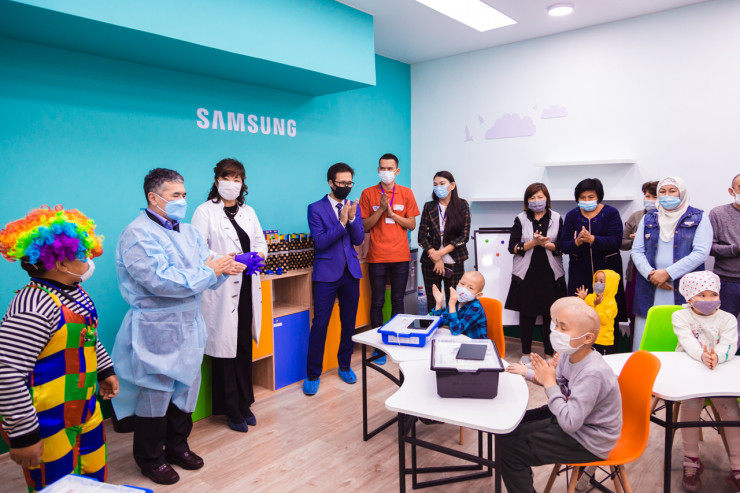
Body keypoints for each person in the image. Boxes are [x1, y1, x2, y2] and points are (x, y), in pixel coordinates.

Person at [111, 168, 241, 485]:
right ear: (153, 198)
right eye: (175, 195)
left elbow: (206, 266)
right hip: (157, 324)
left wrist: (223, 267)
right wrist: (210, 271)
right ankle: (150, 458)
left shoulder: (188, 232)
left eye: (184, 194)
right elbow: (161, 281)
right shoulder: (137, 234)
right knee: (156, 391)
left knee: (187, 388)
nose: (183, 200)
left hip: (190, 321)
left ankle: (177, 446)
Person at [0, 206, 118, 492]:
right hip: (48, 419)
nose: (89, 259)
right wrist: (24, 435)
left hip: (85, 408)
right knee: (55, 485)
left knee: (92, 476)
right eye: (82, 254)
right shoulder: (32, 307)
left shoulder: (75, 292)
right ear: (61, 264)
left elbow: (88, 336)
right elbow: (7, 372)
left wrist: (105, 370)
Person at [498, 301, 622, 493]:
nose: (556, 332)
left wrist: (549, 383)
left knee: (509, 449)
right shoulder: (568, 354)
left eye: (563, 328)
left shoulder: (593, 373)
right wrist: (539, 373)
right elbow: (560, 383)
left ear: (587, 338)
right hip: (572, 417)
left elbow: (570, 422)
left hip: (589, 440)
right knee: (508, 427)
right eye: (556, 325)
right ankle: (522, 472)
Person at [191, 158, 267, 432]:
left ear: (243, 183)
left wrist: (257, 257)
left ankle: (245, 403)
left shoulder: (248, 211)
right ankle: (231, 409)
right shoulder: (204, 212)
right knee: (225, 350)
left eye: (237, 179)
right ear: (217, 181)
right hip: (221, 289)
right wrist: (229, 259)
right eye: (227, 177)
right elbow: (198, 251)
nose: (232, 183)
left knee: (243, 345)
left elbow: (260, 242)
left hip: (246, 286)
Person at [672, 271, 740, 491]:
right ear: (689, 297)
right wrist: (703, 355)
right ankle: (691, 461)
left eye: (713, 294)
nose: (709, 300)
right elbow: (688, 342)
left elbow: (730, 344)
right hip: (691, 374)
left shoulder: (727, 319)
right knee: (690, 405)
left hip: (719, 374)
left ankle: (737, 467)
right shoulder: (680, 316)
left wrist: (717, 356)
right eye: (702, 295)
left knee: (730, 409)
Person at [302, 163, 364, 396]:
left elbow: (358, 239)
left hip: (351, 272)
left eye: (349, 183)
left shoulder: (353, 206)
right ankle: (312, 374)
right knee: (320, 323)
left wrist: (353, 219)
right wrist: (342, 222)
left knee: (349, 322)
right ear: (331, 183)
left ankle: (345, 365)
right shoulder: (315, 208)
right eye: (342, 183)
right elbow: (321, 242)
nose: (346, 186)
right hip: (326, 274)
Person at [630, 176, 712, 351]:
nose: (667, 195)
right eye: (662, 191)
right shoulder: (649, 218)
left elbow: (701, 252)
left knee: (682, 337)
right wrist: (652, 274)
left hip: (684, 287)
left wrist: (667, 273)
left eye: (672, 191)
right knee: (647, 336)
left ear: (681, 193)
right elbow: (637, 251)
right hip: (650, 285)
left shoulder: (699, 217)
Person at [359, 153, 420, 364]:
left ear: (397, 171)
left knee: (397, 300)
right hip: (377, 256)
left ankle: (396, 342)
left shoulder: (406, 193)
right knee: (377, 301)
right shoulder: (368, 193)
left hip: (400, 256)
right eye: (382, 168)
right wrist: (381, 211)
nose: (386, 172)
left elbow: (412, 224)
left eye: (389, 168)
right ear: (378, 170)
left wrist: (393, 215)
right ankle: (378, 349)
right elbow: (364, 226)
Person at [561, 178, 627, 348]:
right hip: (580, 272)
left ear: (599, 196)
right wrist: (577, 242)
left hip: (607, 273)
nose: (587, 200)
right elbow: (564, 245)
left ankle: (610, 350)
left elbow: (616, 241)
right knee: (579, 311)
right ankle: (579, 350)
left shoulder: (611, 213)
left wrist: (592, 239)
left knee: (608, 311)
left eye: (591, 197)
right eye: (582, 197)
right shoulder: (572, 215)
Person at [505, 182, 566, 362]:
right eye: (532, 197)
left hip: (551, 274)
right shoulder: (521, 218)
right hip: (526, 274)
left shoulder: (557, 217)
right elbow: (512, 247)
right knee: (527, 315)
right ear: (527, 200)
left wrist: (546, 244)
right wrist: (533, 243)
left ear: (547, 198)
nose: (536, 200)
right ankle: (525, 354)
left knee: (550, 316)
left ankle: (549, 354)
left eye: (540, 197)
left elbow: (563, 245)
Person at [417, 171, 471, 312]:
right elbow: (422, 236)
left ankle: (451, 325)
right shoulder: (429, 207)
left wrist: (440, 254)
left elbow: (464, 236)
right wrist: (435, 257)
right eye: (435, 185)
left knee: (454, 301)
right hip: (430, 262)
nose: (438, 187)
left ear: (452, 185)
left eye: (442, 184)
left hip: (454, 261)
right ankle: (433, 325)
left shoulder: (462, 205)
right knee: (433, 301)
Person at [620, 181, 659, 345]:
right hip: (636, 273)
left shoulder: (668, 218)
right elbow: (622, 243)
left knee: (657, 314)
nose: (649, 200)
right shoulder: (636, 217)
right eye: (647, 196)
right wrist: (634, 240)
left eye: (654, 197)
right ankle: (634, 349)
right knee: (635, 314)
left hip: (659, 274)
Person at [709, 173, 740, 320]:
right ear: (731, 191)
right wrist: (736, 249)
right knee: (723, 326)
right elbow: (709, 248)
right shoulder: (718, 214)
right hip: (727, 282)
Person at [429, 271, 487, 339]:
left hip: (476, 343)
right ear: (458, 283)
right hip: (460, 339)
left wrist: (452, 305)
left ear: (478, 295)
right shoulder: (456, 301)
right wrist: (438, 304)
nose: (464, 289)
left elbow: (456, 331)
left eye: (470, 288)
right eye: (462, 284)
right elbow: (438, 324)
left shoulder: (476, 308)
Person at [576, 269, 620, 354]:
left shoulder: (611, 303)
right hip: (588, 339)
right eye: (596, 280)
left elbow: (604, 320)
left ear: (610, 284)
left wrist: (597, 305)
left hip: (603, 342)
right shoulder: (590, 297)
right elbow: (580, 310)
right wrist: (581, 299)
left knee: (601, 361)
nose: (597, 284)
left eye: (601, 281)